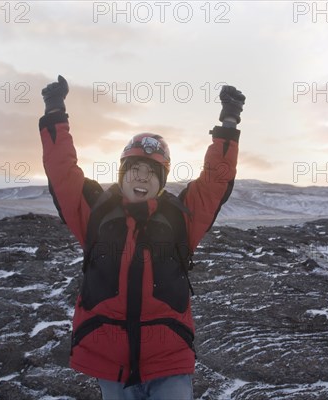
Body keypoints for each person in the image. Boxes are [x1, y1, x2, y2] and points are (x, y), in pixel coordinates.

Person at [39, 75, 245, 400]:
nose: (142, 177)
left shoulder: (180, 218)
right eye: (135, 168)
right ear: (122, 174)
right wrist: (55, 114)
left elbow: (214, 183)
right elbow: (62, 171)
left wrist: (229, 121)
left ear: (161, 182)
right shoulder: (95, 212)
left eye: (152, 171)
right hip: (109, 364)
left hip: (169, 362)